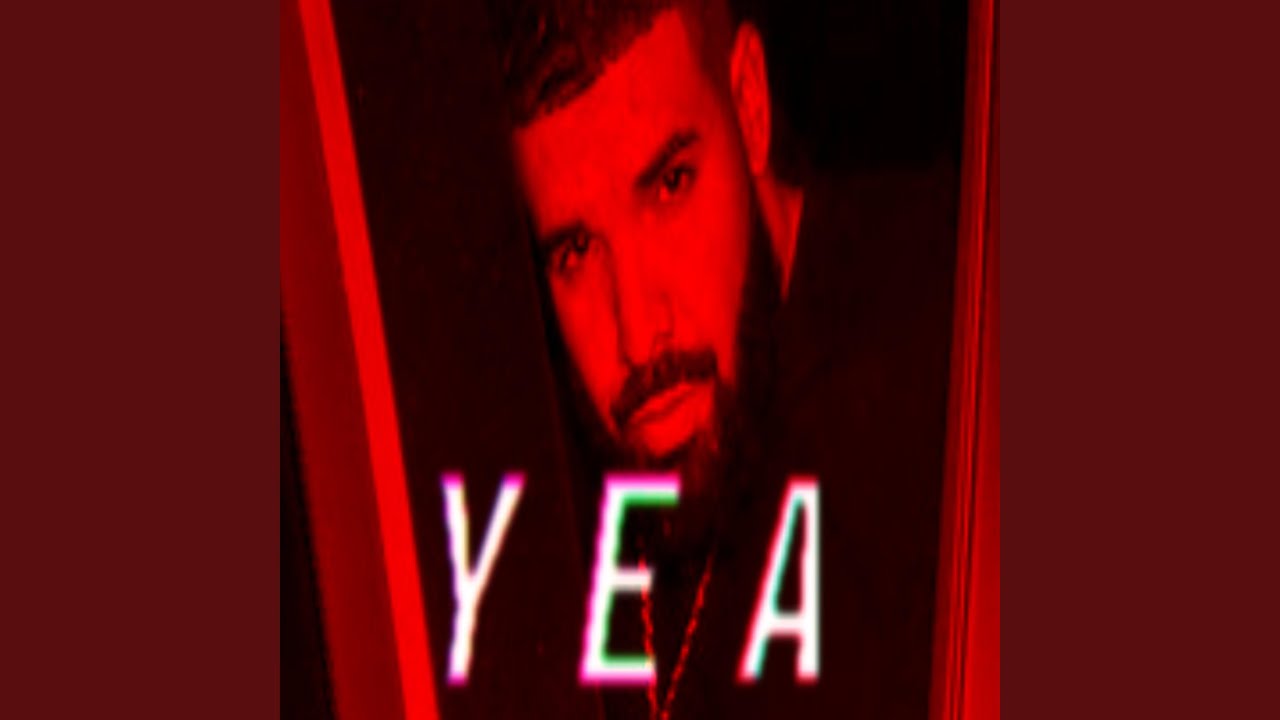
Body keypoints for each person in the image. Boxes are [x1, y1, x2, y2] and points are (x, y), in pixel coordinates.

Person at [489, 0, 958, 717]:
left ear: (750, 104)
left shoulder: (957, 335)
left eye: (670, 185)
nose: (637, 333)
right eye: (576, 251)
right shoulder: (545, 486)